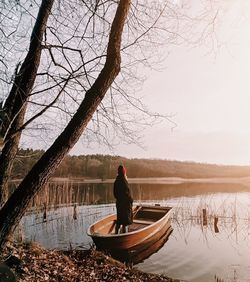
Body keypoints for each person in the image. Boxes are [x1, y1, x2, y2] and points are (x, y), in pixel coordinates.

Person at [113, 165, 133, 234]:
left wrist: (119, 199)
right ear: (124, 172)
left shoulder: (116, 181)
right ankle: (124, 235)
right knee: (125, 222)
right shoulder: (124, 181)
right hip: (125, 205)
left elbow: (115, 193)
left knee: (119, 220)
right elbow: (127, 194)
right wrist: (131, 200)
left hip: (119, 203)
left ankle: (116, 234)